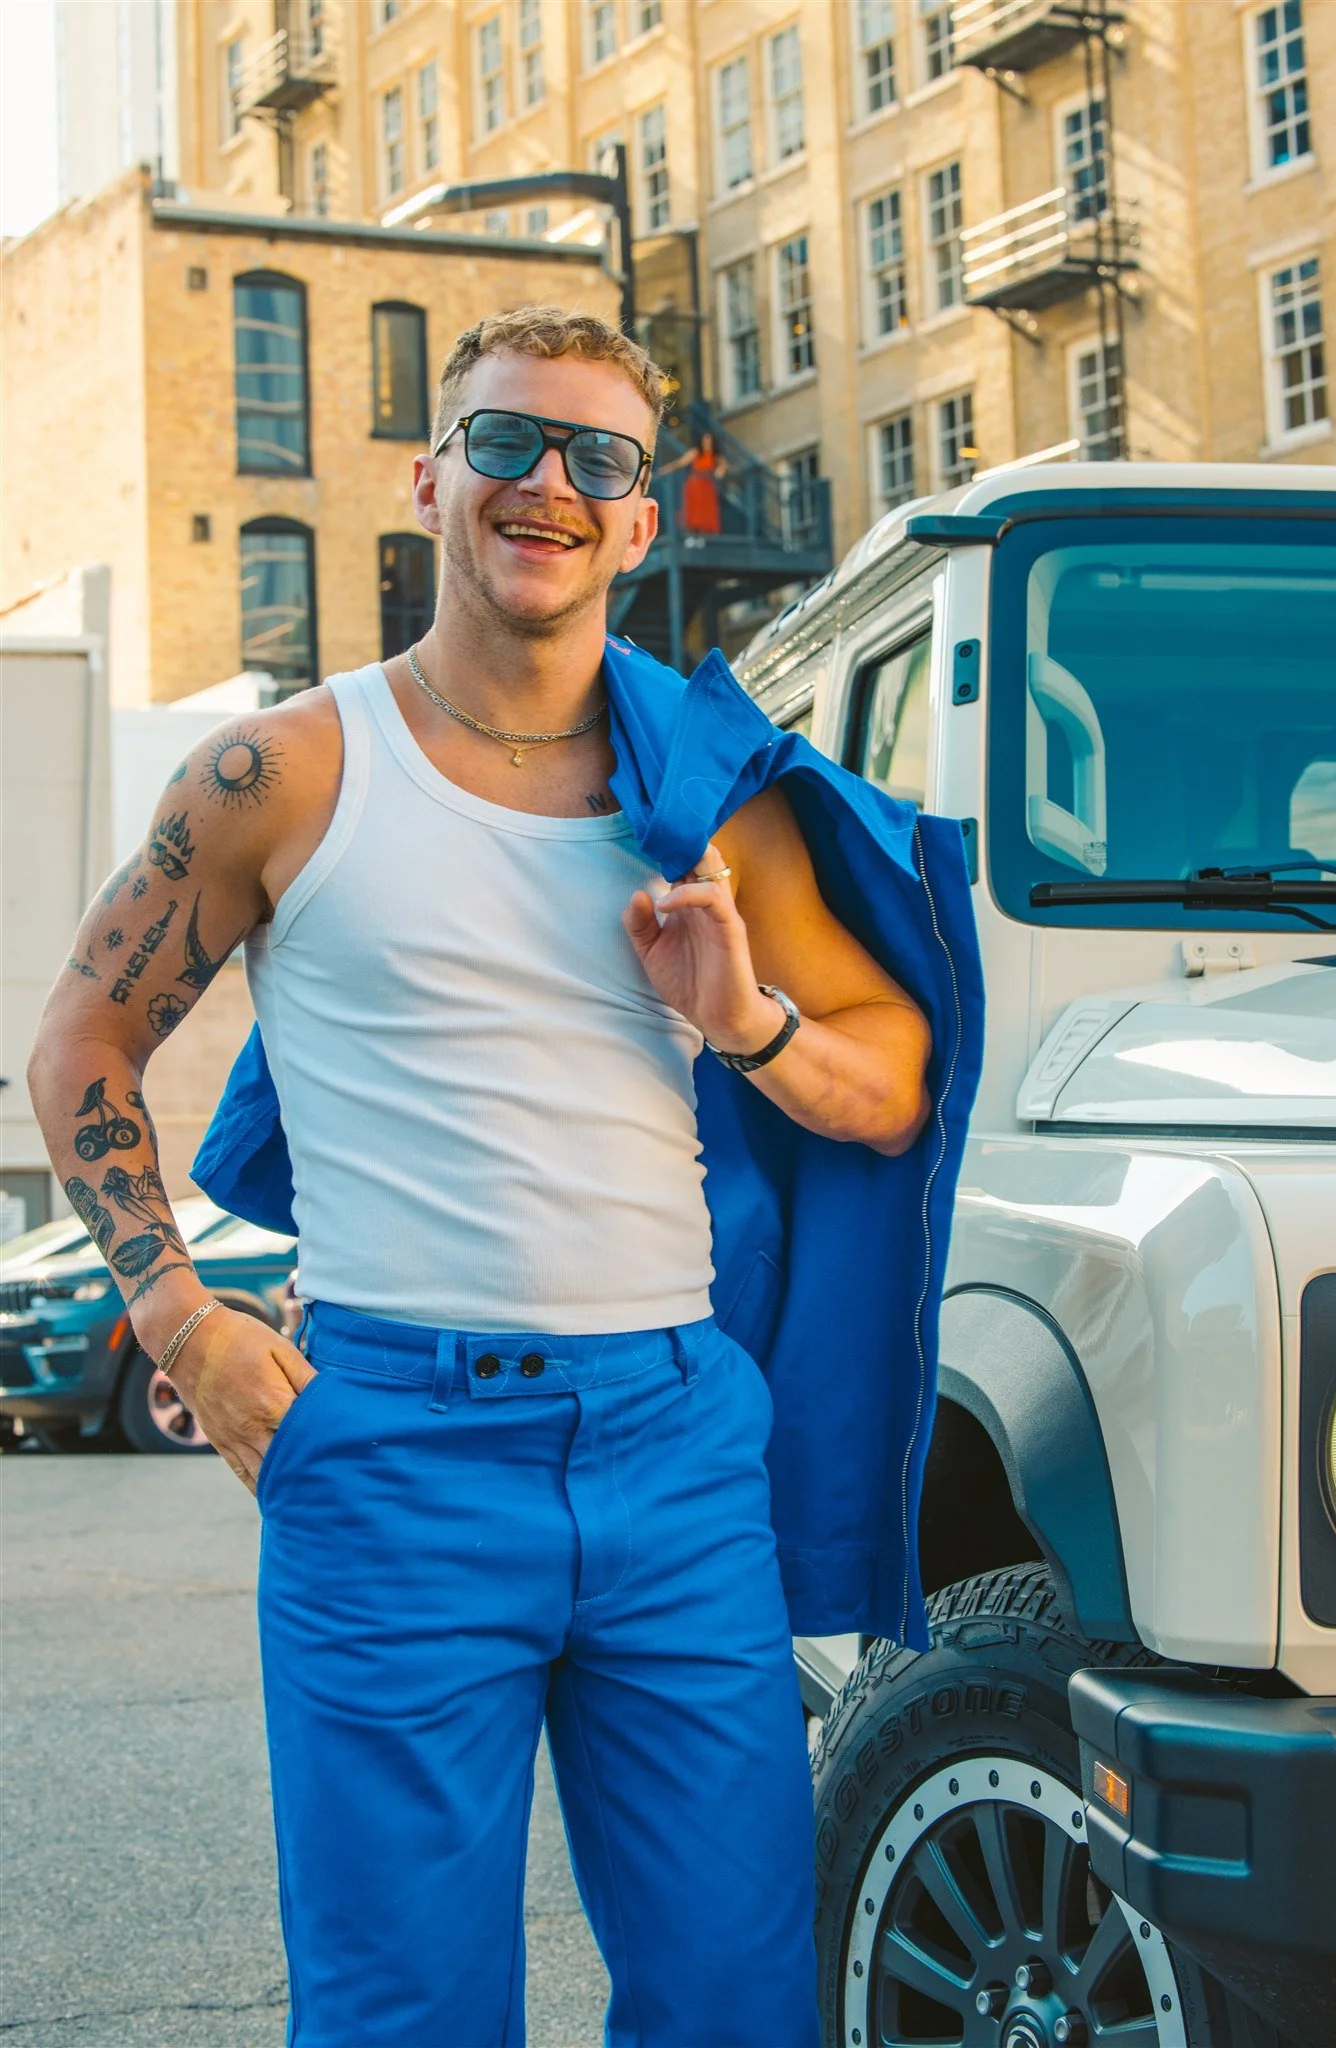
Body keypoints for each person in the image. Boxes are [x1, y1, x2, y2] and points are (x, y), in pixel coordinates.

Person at [29, 307, 982, 2048]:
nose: (546, 482)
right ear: (428, 480)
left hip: (679, 1441)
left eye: (596, 460)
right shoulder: (284, 772)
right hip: (390, 1450)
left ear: (638, 521)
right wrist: (179, 1319)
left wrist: (748, 1017)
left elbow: (894, 1089)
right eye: (505, 443)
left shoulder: (709, 798)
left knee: (737, 2000)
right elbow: (80, 1042)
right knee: (404, 2014)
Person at [656, 426, 726, 533]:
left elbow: (723, 465)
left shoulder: (716, 455)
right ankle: (693, 534)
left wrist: (720, 470)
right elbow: (681, 463)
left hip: (708, 485)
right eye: (705, 440)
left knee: (707, 511)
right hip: (695, 484)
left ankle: (706, 534)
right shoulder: (696, 452)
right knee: (694, 511)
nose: (707, 443)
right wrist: (666, 469)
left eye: (709, 441)